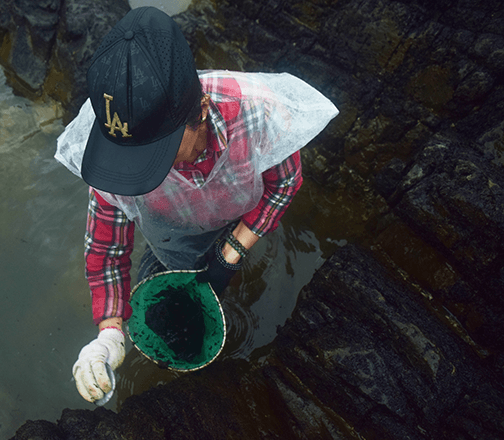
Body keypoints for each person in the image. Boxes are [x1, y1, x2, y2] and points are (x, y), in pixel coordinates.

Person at [55, 6, 338, 404]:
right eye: (134, 157)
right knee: (163, 322)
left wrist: (232, 251)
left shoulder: (255, 114)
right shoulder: (116, 156)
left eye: (159, 151)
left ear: (201, 111)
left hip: (238, 217)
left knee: (242, 288)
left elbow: (284, 184)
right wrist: (108, 334)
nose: (141, 172)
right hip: (170, 241)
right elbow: (107, 248)